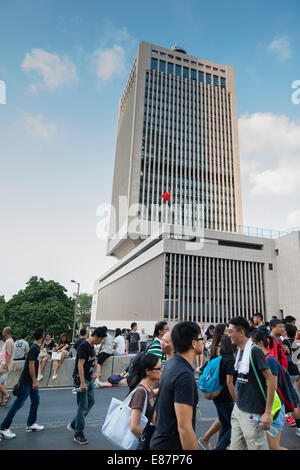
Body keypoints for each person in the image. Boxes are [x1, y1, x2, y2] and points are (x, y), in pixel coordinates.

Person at [150, 321, 204, 450]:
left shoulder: (170, 364)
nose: (203, 342)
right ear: (194, 343)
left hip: (160, 440)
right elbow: (184, 428)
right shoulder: (184, 375)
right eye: (201, 338)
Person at [228, 316, 276, 450]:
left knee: (257, 447)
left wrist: (267, 412)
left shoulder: (254, 351)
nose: (229, 335)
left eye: (231, 331)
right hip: (238, 408)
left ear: (241, 332)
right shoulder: (239, 351)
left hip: (253, 412)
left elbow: (271, 380)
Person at [0, 327, 45, 439]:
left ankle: (31, 423)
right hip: (26, 381)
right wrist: (34, 381)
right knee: (18, 404)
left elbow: (5, 354)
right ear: (43, 335)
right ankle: (3, 428)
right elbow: (29, 365)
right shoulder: (33, 347)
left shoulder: (33, 346)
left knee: (35, 401)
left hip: (29, 380)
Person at [68, 327, 107, 445]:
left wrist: (93, 373)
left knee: (91, 401)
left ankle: (75, 423)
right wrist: (82, 382)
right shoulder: (84, 346)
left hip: (89, 378)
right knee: (82, 406)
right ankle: (78, 434)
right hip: (81, 379)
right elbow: (80, 365)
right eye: (100, 339)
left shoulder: (91, 347)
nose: (100, 342)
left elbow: (91, 361)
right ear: (95, 336)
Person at [250, 329, 287, 450]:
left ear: (260, 343)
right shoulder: (261, 359)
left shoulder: (270, 360)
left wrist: (267, 412)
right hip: (268, 407)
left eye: (252, 344)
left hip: (274, 408)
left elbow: (273, 386)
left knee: (274, 448)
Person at [199, 323, 228, 450]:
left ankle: (216, 445)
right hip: (221, 386)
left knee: (223, 420)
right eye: (227, 331)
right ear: (222, 333)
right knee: (228, 420)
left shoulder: (217, 346)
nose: (229, 333)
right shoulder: (220, 348)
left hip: (218, 386)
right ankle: (206, 438)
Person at [212, 335, 237, 450]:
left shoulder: (220, 358)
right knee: (235, 425)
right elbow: (229, 383)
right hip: (226, 397)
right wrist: (235, 400)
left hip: (217, 395)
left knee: (225, 424)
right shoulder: (230, 359)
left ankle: (219, 447)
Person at [128, 354, 162, 439]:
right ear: (148, 371)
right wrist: (151, 441)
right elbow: (134, 427)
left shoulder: (147, 390)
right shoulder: (141, 392)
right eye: (158, 368)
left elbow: (153, 393)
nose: (161, 371)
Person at [282, 323, 300, 427]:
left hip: (290, 372)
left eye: (284, 328)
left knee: (293, 399)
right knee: (297, 397)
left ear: (287, 331)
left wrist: (288, 354)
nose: (282, 330)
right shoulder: (294, 342)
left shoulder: (284, 341)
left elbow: (284, 358)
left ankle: (298, 425)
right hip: (296, 372)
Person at [0, 327, 15, 406]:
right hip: (4, 364)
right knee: (2, 383)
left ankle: (7, 395)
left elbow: (8, 354)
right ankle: (1, 400)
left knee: (1, 383)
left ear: (6, 332)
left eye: (3, 332)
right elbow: (6, 354)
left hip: (4, 366)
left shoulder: (9, 341)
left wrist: (4, 366)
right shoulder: (9, 341)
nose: (2, 333)